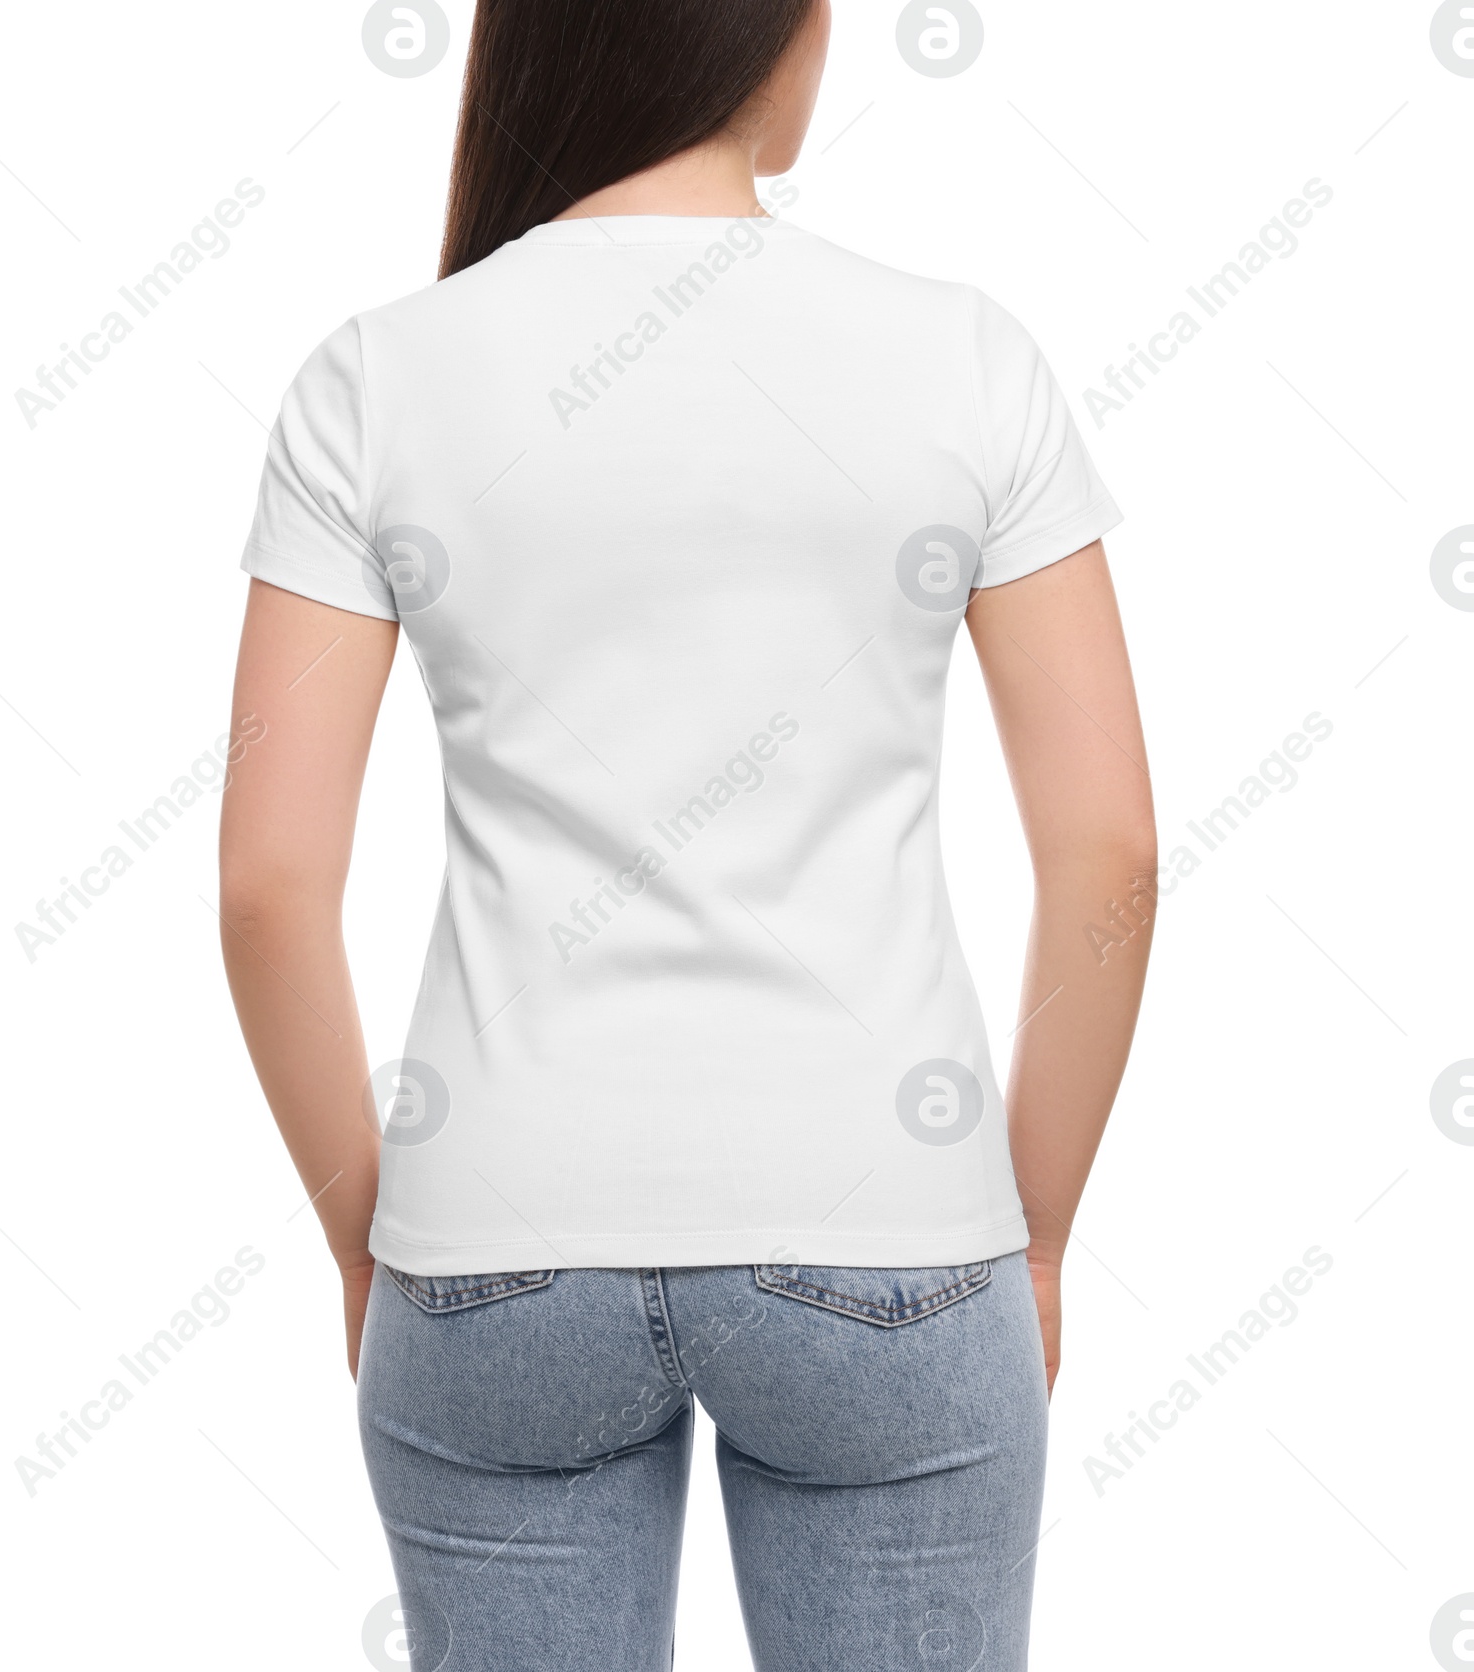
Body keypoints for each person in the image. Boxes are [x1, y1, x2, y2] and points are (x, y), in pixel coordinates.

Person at [219, 1, 1155, 1666]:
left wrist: (378, 1240)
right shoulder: (963, 356)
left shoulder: (376, 375)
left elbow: (270, 886)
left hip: (497, 1242)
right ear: (765, 35)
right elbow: (1111, 857)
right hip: (891, 1227)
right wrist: (1045, 1228)